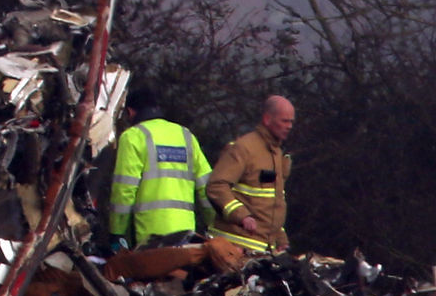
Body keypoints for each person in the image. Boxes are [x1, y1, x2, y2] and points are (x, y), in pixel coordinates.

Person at [103, 83, 208, 253]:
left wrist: (117, 232)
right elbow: (206, 187)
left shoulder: (133, 136)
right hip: (187, 236)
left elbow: (124, 190)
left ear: (130, 112)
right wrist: (212, 226)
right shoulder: (185, 135)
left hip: (150, 238)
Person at [206, 95, 296, 255]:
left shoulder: (277, 153)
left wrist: (280, 238)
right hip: (234, 247)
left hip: (262, 250)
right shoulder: (243, 148)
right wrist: (242, 216)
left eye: (291, 122)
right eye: (284, 121)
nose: (289, 126)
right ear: (267, 119)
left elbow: (271, 203)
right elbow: (216, 186)